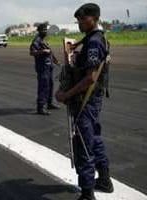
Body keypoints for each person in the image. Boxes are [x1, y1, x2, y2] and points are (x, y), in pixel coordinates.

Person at [55, 3, 114, 200]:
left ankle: (87, 193)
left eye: (82, 19)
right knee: (95, 138)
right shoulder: (93, 38)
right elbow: (87, 42)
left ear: (93, 19)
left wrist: (66, 94)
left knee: (83, 144)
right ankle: (104, 180)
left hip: (85, 100)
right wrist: (74, 47)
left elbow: (90, 78)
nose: (79, 22)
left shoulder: (94, 43)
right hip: (92, 100)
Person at [30, 23, 60, 115]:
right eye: (43, 30)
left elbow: (50, 52)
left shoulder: (44, 40)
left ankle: (49, 103)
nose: (45, 31)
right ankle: (41, 107)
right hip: (42, 67)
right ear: (39, 31)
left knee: (50, 85)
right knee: (43, 86)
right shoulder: (37, 41)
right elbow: (32, 52)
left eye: (46, 30)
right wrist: (42, 51)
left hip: (49, 66)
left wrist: (56, 61)